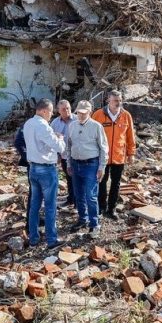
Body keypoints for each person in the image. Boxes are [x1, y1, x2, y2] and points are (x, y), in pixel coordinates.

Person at [23, 99, 65, 249]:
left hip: (33, 168)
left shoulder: (28, 123)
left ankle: (33, 238)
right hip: (46, 169)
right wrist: (60, 138)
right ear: (44, 111)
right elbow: (59, 147)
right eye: (51, 111)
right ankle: (51, 240)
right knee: (50, 206)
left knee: (34, 205)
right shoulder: (43, 126)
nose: (52, 115)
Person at [66, 101, 108, 238]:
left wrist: (101, 167)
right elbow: (68, 146)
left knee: (90, 196)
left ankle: (94, 224)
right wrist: (68, 164)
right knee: (79, 195)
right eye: (79, 112)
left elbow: (103, 148)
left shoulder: (96, 126)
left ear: (89, 112)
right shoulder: (71, 126)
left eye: (84, 113)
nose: (81, 115)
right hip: (75, 164)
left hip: (91, 165)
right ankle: (82, 219)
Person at [93, 90, 136, 220]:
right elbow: (91, 135)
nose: (118, 103)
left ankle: (112, 209)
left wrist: (131, 153)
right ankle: (101, 207)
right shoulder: (98, 115)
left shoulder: (126, 115)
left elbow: (130, 136)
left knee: (116, 183)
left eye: (120, 100)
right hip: (102, 157)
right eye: (116, 100)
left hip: (119, 155)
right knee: (101, 182)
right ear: (108, 100)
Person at [50, 100, 77, 207]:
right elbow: (51, 141)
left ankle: (78, 203)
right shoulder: (54, 123)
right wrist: (57, 155)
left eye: (68, 108)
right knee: (69, 179)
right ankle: (71, 199)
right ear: (58, 111)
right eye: (63, 109)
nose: (66, 111)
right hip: (65, 156)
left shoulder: (77, 119)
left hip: (78, 156)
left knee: (78, 179)